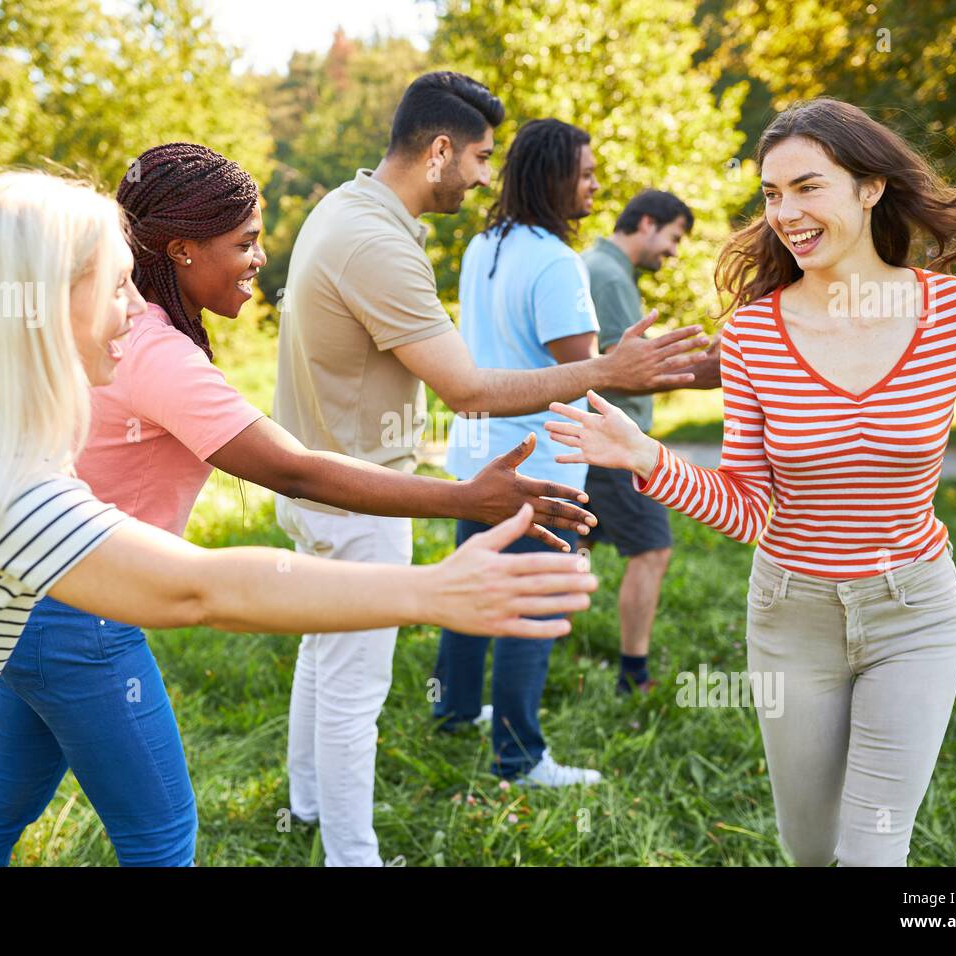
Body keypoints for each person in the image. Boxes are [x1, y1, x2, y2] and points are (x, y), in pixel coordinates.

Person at [0, 169, 598, 867]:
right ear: (40, 302)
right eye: (112, 284)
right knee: (162, 832)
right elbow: (199, 589)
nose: (129, 308)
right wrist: (429, 590)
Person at [545, 97, 956, 866]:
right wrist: (647, 459)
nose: (785, 213)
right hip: (791, 617)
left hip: (915, 614)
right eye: (771, 195)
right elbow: (748, 509)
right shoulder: (756, 333)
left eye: (807, 187)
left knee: (872, 850)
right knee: (809, 850)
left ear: (870, 188)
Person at [274, 72, 708, 865]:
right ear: (439, 149)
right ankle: (352, 854)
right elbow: (468, 389)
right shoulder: (380, 241)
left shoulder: (349, 210)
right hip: (363, 489)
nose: (483, 177)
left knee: (324, 649)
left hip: (326, 475)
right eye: (476, 158)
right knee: (355, 691)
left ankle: (306, 804)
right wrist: (610, 371)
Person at [581, 189, 721, 695]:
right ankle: (632, 674)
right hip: (613, 441)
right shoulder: (610, 276)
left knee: (570, 546)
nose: (675, 251)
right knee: (653, 549)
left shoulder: (596, 265)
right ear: (646, 223)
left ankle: (535, 643)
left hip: (590, 434)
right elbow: (623, 373)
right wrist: (704, 374)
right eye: (674, 237)